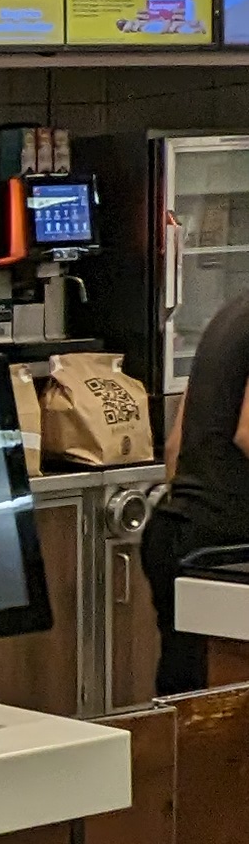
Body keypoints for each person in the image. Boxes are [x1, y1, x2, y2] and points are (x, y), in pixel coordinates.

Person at [140, 286, 249, 697]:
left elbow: (175, 445)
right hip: (225, 551)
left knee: (184, 697)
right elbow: (247, 433)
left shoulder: (233, 312)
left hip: (177, 531)